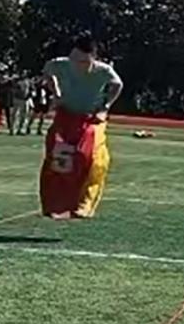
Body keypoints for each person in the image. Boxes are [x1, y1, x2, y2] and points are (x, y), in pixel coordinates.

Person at [39, 36, 123, 219]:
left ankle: (85, 204)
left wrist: (105, 107)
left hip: (90, 118)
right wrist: (56, 93)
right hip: (66, 115)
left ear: (93, 59)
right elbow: (47, 71)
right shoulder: (61, 64)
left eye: (83, 62)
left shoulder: (103, 70)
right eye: (74, 59)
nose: (77, 65)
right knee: (56, 157)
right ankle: (55, 204)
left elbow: (118, 85)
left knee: (92, 158)